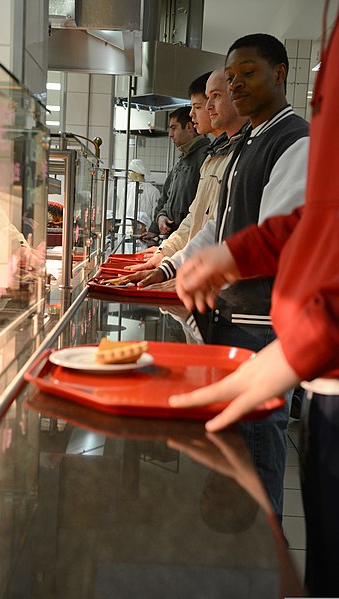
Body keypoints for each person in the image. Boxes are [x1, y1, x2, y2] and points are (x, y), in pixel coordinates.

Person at [170, 11, 339, 597]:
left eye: (246, 75)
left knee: (261, 447)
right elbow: (252, 224)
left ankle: (258, 568)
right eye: (228, 78)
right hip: (270, 325)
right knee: (246, 449)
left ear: (282, 73)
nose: (233, 88)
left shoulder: (291, 138)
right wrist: (210, 259)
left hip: (271, 325)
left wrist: (306, 336)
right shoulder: (248, 140)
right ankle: (249, 562)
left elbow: (298, 234)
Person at [126, 67, 249, 277]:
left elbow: (219, 227)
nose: (195, 113)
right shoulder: (214, 154)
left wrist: (173, 264)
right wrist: (167, 254)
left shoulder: (243, 151)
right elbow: (196, 218)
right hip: (195, 266)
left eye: (214, 98)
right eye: (206, 101)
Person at [146, 76, 213, 238]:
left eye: (174, 128)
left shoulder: (206, 155)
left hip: (189, 243)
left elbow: (201, 213)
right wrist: (159, 220)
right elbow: (166, 199)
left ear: (189, 127)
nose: (170, 134)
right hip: (176, 241)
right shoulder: (183, 159)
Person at [116, 158, 160, 233]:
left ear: (137, 173)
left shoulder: (153, 191)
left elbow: (155, 213)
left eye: (130, 171)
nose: (128, 173)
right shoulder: (127, 188)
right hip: (127, 227)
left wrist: (153, 230)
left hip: (145, 229)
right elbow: (122, 210)